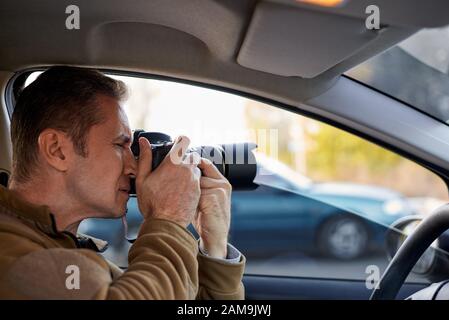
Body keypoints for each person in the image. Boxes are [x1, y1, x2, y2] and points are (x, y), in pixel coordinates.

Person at [0, 66, 245, 299]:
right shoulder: (13, 258)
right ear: (57, 150)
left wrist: (215, 248)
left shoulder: (61, 248)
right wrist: (168, 218)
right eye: (120, 145)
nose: (132, 167)